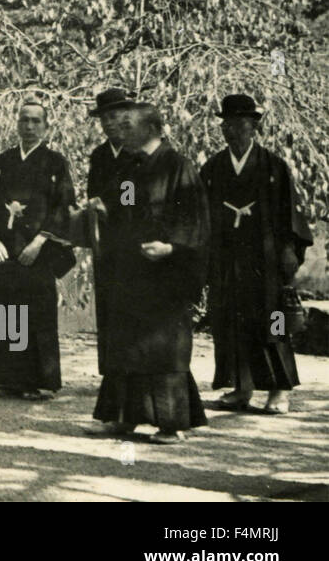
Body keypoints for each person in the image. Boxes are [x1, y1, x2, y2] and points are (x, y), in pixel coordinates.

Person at [89, 103, 209, 443]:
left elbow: (194, 220)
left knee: (162, 347)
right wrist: (105, 209)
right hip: (131, 268)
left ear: (151, 128)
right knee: (127, 343)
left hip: (165, 272)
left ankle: (171, 424)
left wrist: (171, 248)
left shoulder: (178, 166)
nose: (121, 131)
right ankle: (123, 418)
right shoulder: (131, 167)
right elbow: (125, 206)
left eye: (129, 125)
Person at [201, 95, 312, 415]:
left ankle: (279, 389)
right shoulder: (213, 168)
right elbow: (199, 213)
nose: (231, 130)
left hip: (265, 261)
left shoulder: (273, 167)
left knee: (274, 322)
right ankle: (242, 387)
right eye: (226, 124)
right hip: (227, 260)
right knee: (230, 322)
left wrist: (288, 252)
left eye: (239, 123)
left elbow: (290, 214)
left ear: (253, 127)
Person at [0, 99, 76, 400]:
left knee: (36, 313)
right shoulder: (4, 161)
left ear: (46, 126)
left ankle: (38, 382)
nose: (29, 126)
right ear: (17, 124)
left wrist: (40, 242)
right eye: (24, 120)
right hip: (4, 248)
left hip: (38, 250)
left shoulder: (55, 163)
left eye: (36, 121)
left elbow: (63, 207)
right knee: (3, 310)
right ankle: (5, 379)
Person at [82, 87, 136, 376]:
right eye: (104, 119)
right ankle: (111, 372)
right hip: (106, 241)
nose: (109, 123)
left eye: (114, 117)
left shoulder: (137, 152)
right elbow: (93, 191)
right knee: (107, 303)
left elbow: (131, 195)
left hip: (134, 237)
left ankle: (131, 370)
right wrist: (94, 204)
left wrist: (110, 208)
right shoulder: (100, 155)